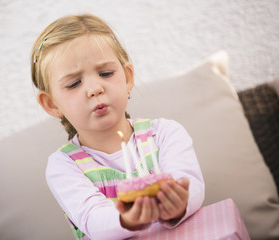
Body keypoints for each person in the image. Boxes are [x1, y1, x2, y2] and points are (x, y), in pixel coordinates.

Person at [30, 14, 204, 239]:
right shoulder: (63, 166)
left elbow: (192, 186)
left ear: (127, 77)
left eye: (105, 73)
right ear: (52, 104)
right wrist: (126, 218)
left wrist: (180, 203)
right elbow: (93, 219)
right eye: (74, 83)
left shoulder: (164, 134)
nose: (94, 88)